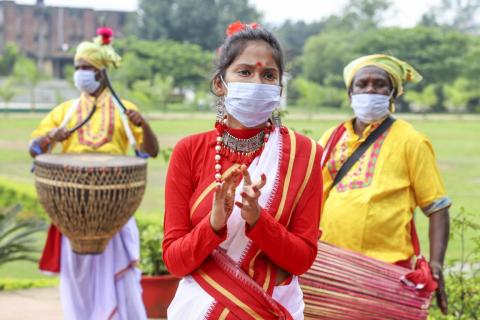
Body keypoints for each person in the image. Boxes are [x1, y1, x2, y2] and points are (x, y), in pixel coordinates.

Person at [163, 21, 323, 319]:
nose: (257, 83)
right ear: (220, 83)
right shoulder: (189, 151)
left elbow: (302, 261)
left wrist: (257, 220)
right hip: (199, 308)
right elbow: (174, 262)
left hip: (273, 309)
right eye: (245, 72)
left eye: (269, 75)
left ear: (279, 87)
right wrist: (213, 224)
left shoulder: (304, 154)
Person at [29, 27, 158, 320]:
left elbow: (149, 151)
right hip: (73, 215)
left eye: (86, 67)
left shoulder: (126, 110)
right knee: (79, 289)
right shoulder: (64, 111)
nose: (81, 73)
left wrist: (144, 124)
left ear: (102, 73)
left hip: (115, 211)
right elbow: (34, 149)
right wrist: (51, 136)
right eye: (77, 67)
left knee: (122, 286)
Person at [318, 54, 451, 314]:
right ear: (350, 93)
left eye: (379, 84)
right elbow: (310, 197)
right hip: (330, 267)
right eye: (362, 84)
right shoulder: (331, 138)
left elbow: (438, 208)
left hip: (387, 271)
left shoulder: (412, 141)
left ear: (392, 94)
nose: (370, 90)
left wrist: (436, 265)